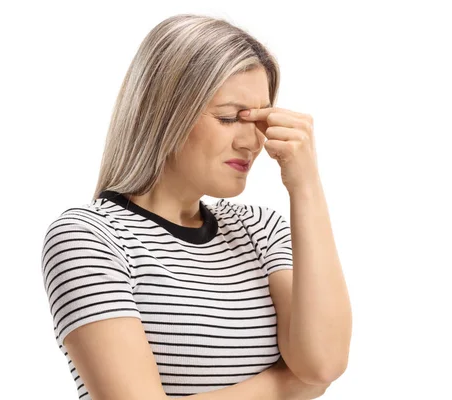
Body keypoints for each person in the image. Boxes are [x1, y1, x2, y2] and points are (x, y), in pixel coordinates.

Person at [41, 13, 344, 400]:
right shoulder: (90, 237)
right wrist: (286, 384)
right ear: (166, 111)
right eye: (230, 118)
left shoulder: (260, 229)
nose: (250, 142)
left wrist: (306, 186)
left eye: (260, 121)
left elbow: (324, 363)